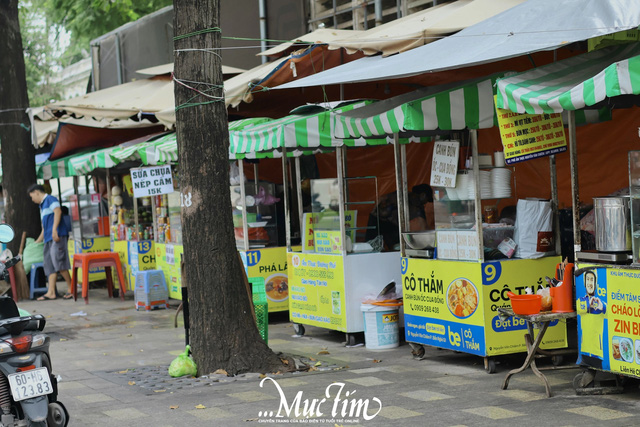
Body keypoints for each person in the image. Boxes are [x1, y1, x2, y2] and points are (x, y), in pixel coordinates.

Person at [28, 184, 73, 300]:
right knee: (49, 265)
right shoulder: (42, 206)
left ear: (37, 192)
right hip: (48, 238)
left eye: (32, 196)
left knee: (59, 262)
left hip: (57, 235)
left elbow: (58, 212)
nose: (32, 200)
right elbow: (45, 227)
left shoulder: (50, 199)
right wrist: (37, 242)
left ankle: (71, 288)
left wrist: (54, 230)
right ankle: (51, 292)